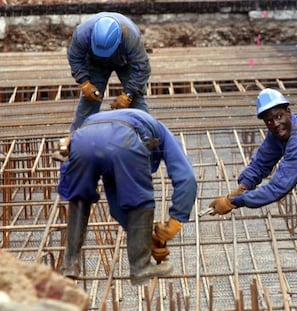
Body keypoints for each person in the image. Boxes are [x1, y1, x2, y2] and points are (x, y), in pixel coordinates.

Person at [58, 109, 197, 285]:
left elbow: (117, 207)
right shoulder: (162, 133)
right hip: (124, 138)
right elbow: (187, 177)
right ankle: (141, 267)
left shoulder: (111, 121)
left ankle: (70, 266)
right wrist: (177, 219)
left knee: (79, 198)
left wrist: (147, 241)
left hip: (82, 140)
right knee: (139, 197)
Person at [53, 12, 151, 161]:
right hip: (95, 62)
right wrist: (84, 82)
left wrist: (128, 94)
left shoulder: (129, 36)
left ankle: (148, 141)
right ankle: (74, 142)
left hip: (124, 61)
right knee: (89, 100)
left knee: (136, 100)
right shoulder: (82, 34)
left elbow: (142, 67)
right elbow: (75, 58)